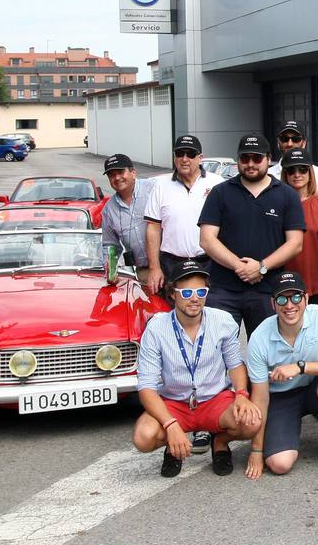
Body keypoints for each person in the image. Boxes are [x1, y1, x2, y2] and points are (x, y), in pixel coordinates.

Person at [132, 260, 262, 476]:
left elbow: (236, 364)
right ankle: (174, 445)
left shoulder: (223, 321)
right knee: (143, 437)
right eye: (186, 292)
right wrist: (170, 424)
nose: (194, 298)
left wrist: (241, 394)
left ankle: (219, 441)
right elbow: (146, 387)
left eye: (201, 291)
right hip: (175, 402)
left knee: (252, 421)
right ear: (173, 293)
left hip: (214, 400)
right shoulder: (156, 327)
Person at [243, 271, 318, 481]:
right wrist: (256, 451)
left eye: (296, 297)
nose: (289, 305)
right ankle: (283, 433)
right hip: (280, 398)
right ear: (273, 304)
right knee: (279, 464)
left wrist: (300, 367)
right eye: (282, 299)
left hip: (313, 387)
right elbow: (260, 396)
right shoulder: (259, 337)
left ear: (306, 298)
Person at [198, 133, 305, 337]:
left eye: (256, 158)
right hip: (223, 290)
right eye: (244, 158)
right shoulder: (220, 193)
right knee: (216, 353)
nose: (250, 164)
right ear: (238, 160)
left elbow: (296, 243)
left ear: (268, 158)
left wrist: (261, 267)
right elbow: (207, 239)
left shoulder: (287, 195)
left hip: (268, 290)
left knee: (268, 353)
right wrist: (240, 266)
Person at [144, 134, 218, 296]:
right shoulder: (160, 186)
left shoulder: (217, 184)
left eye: (190, 154)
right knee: (173, 314)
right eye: (180, 154)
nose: (184, 159)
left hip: (209, 263)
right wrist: (154, 268)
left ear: (200, 158)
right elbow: (153, 228)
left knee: (210, 312)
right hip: (172, 264)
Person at [281, 147, 318, 305]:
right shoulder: (277, 203)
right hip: (285, 279)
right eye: (291, 170)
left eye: (302, 169)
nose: (297, 174)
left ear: (310, 173)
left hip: (316, 278)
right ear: (285, 174)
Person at [99, 153, 157, 282]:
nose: (117, 177)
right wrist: (110, 269)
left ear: (133, 173)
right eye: (111, 175)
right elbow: (110, 245)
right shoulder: (109, 210)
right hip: (144, 272)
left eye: (120, 172)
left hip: (170, 265)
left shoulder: (154, 188)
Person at [270, 120, 318, 198]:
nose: (290, 144)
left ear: (304, 143)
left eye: (295, 139)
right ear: (278, 143)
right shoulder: (268, 175)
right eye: (284, 139)